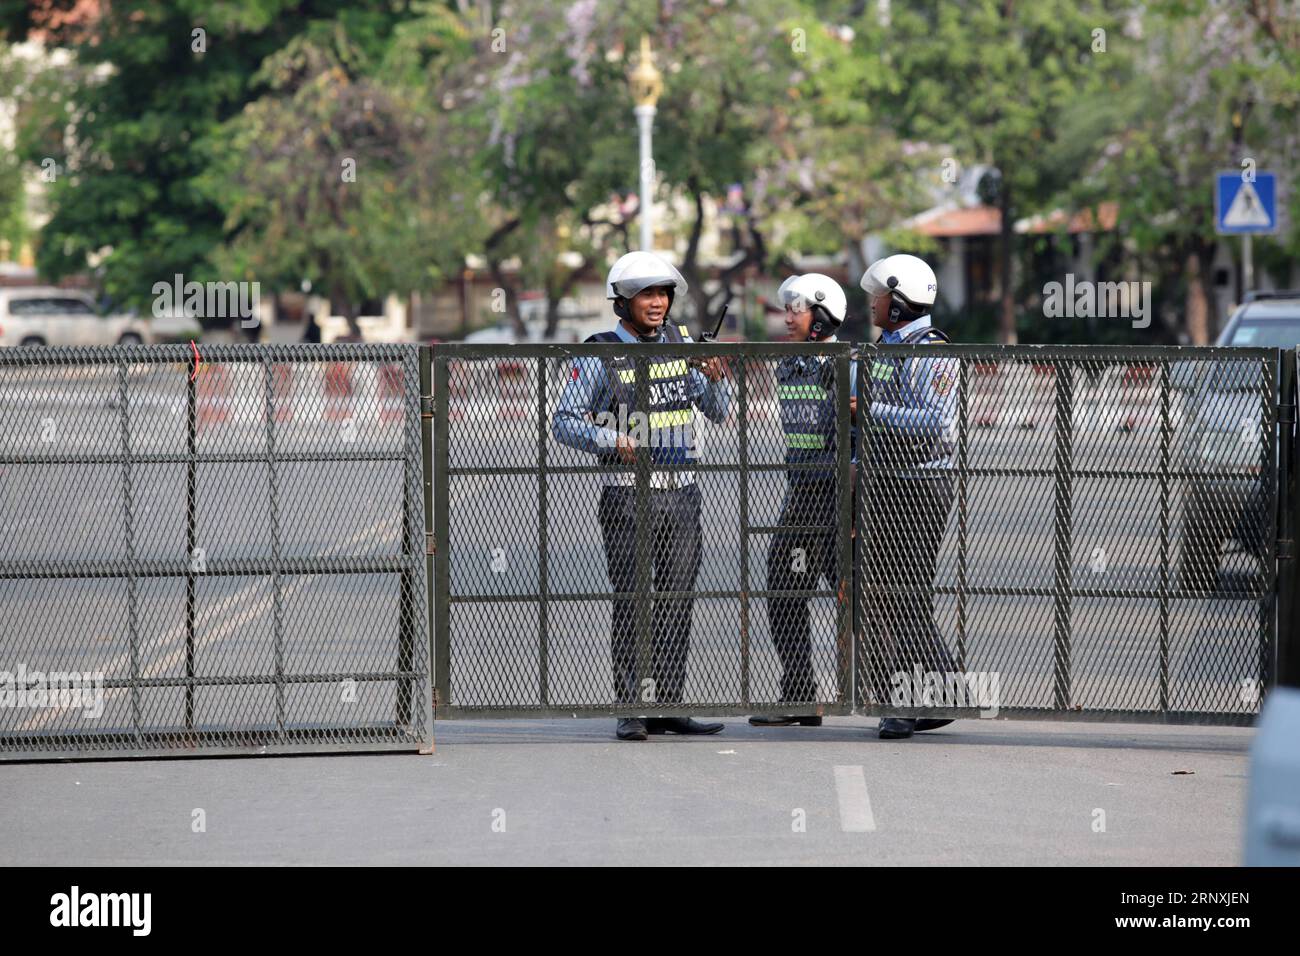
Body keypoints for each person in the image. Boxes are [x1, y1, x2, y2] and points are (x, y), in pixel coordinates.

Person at [552, 251, 731, 741]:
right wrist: (612, 441)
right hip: (627, 495)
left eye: (663, 294)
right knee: (633, 602)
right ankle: (632, 706)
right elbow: (563, 421)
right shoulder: (600, 351)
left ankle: (668, 704)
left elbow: (715, 411)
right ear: (623, 301)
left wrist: (717, 379)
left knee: (678, 601)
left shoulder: (679, 342)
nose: (657, 303)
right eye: (647, 294)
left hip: (683, 494)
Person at [858, 254, 963, 740]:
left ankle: (911, 700)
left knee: (903, 589)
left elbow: (939, 418)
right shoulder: (884, 348)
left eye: (879, 296)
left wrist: (871, 409)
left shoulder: (931, 349)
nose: (873, 303)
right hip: (889, 479)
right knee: (894, 590)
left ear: (898, 302)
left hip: (921, 483)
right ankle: (944, 688)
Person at [749, 273, 854, 729]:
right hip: (802, 496)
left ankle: (896, 695)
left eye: (796, 309)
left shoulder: (844, 365)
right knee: (783, 589)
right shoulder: (788, 365)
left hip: (840, 496)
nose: (787, 317)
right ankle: (800, 695)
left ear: (822, 315)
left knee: (860, 600)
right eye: (786, 308)